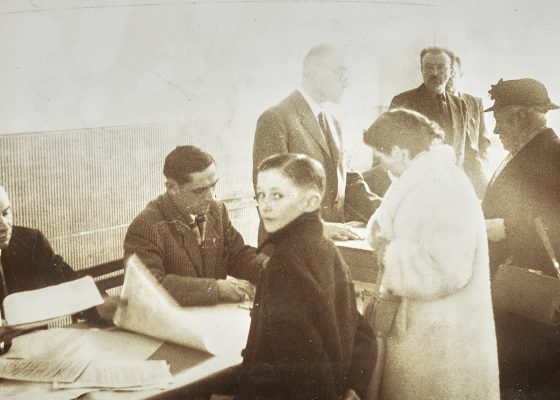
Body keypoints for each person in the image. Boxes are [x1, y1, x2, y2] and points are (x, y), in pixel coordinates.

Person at [363, 109, 499, 400]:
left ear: (399, 151)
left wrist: (390, 253)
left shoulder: (444, 185)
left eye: (381, 156)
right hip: (423, 330)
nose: (381, 164)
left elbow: (448, 268)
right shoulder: (419, 179)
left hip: (442, 341)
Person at [236, 153, 376, 400]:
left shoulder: (283, 266)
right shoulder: (327, 250)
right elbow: (363, 335)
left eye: (277, 195)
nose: (265, 205)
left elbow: (304, 370)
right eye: (261, 195)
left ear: (311, 202)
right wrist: (354, 387)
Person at [253, 43, 381, 241]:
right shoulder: (276, 118)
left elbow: (345, 179)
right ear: (314, 72)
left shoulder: (333, 122)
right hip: (288, 246)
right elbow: (270, 191)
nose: (346, 83)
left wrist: (386, 213)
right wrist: (318, 227)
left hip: (326, 245)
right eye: (340, 73)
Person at [482, 78, 560, 396]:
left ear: (520, 117)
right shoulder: (524, 151)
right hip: (514, 295)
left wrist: (505, 229)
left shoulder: (552, 155)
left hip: (534, 299)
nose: (496, 131)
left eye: (499, 120)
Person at [123, 145, 267, 306]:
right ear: (172, 188)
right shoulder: (147, 225)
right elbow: (148, 287)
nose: (210, 197)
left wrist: (269, 265)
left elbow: (237, 255)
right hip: (174, 323)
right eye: (200, 191)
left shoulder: (216, 210)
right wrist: (215, 289)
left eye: (214, 185)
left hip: (210, 315)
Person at [0, 185, 95, 346]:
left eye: (5, 213)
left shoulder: (31, 241)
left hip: (35, 352)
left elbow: (66, 279)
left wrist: (101, 303)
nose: (4, 225)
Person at [390, 47, 487, 197]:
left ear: (451, 71)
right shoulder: (403, 102)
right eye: (428, 67)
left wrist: (486, 193)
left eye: (441, 67)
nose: (434, 73)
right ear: (422, 70)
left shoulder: (460, 105)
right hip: (416, 193)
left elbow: (469, 154)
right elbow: (389, 151)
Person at [446, 54, 492, 168]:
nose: (447, 77)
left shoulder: (475, 103)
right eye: (444, 72)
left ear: (460, 74)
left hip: (470, 171)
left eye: (452, 72)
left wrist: (482, 171)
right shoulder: (433, 103)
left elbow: (483, 143)